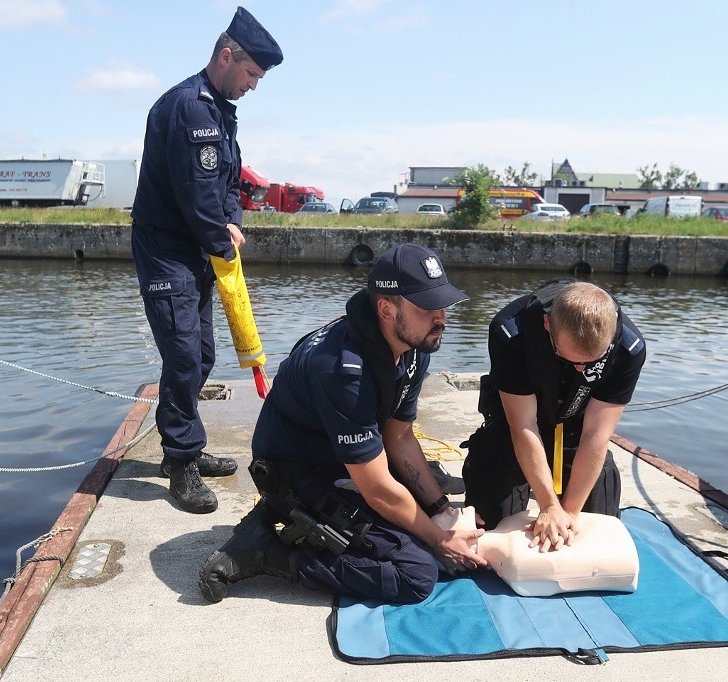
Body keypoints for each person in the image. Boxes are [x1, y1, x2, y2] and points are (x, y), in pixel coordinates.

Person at [198, 243, 487, 604]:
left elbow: (398, 437)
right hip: (296, 471)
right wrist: (439, 539)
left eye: (443, 304)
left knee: (431, 499)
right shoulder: (343, 369)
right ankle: (267, 551)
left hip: (342, 457)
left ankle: (285, 516)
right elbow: (379, 489)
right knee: (416, 573)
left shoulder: (413, 344)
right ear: (386, 308)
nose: (441, 317)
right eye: (428, 307)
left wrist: (441, 512)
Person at [130, 7, 283, 514]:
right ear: (226, 55)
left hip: (196, 249)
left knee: (203, 354)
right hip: (168, 250)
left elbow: (227, 185)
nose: (254, 86)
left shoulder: (220, 111)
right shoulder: (189, 108)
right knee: (183, 353)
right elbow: (196, 196)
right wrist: (223, 236)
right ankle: (180, 460)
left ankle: (184, 445)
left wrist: (231, 222)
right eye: (252, 74)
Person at [461, 279, 646, 552]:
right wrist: (548, 506)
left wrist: (566, 517)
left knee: (594, 535)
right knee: (489, 533)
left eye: (591, 361)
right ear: (547, 326)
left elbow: (596, 434)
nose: (581, 369)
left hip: (577, 428)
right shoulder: (511, 332)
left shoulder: (629, 349)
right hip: (516, 426)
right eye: (571, 360)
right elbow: (522, 425)